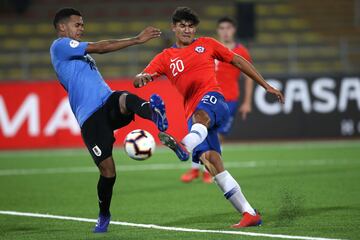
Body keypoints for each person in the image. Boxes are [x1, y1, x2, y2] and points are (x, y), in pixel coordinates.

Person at [134, 7, 284, 228]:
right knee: (211, 162)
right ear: (173, 28)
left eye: (191, 26)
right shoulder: (165, 57)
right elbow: (139, 79)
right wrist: (142, 78)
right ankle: (249, 213)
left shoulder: (208, 44)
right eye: (182, 25)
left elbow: (239, 61)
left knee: (201, 116)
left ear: (196, 29)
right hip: (192, 117)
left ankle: (183, 145)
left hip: (214, 100)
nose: (187, 30)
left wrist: (266, 85)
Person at [50, 8, 168, 233]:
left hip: (106, 102)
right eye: (78, 24)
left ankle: (156, 116)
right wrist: (136, 40)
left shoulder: (79, 53)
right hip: (91, 118)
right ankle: (104, 214)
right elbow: (101, 47)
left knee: (124, 98)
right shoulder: (60, 45)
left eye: (82, 24)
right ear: (62, 27)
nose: (82, 28)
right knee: (108, 172)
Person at [180, 17, 254, 184]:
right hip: (205, 98)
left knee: (217, 136)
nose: (225, 31)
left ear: (233, 30)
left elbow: (248, 77)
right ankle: (197, 169)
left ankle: (206, 169)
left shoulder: (241, 52)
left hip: (229, 101)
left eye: (228, 28)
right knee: (200, 131)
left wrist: (247, 102)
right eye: (222, 28)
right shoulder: (209, 48)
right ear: (218, 30)